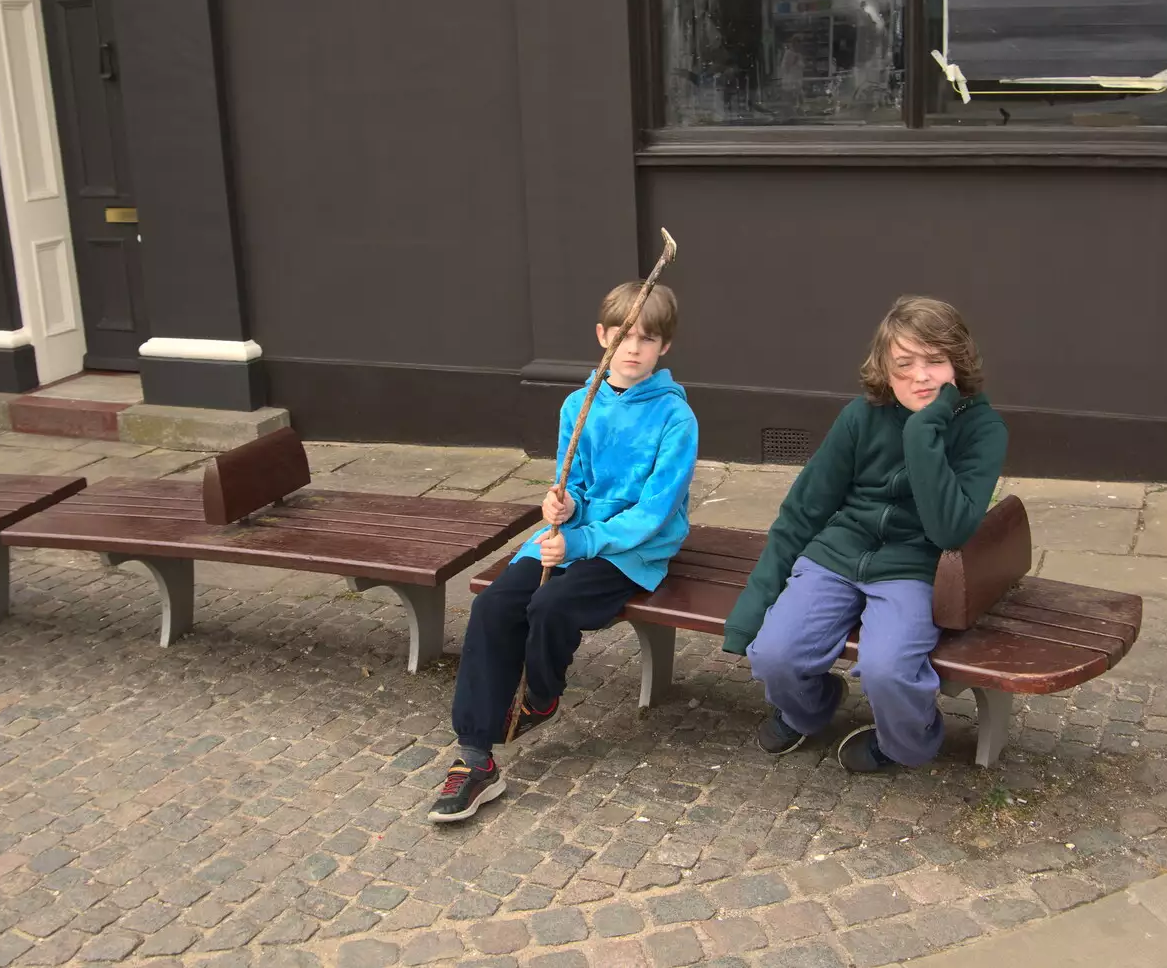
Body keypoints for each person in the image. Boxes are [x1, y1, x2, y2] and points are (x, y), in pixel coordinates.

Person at [428, 281, 699, 822]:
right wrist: (561, 506)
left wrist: (583, 538)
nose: (633, 348)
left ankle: (542, 696)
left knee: (552, 607)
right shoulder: (579, 405)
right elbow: (570, 481)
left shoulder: (676, 419)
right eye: (622, 335)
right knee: (493, 606)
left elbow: (654, 512)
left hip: (631, 551)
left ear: (664, 347)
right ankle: (475, 758)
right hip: (570, 539)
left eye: (647, 339)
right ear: (601, 336)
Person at [722, 296, 1007, 773]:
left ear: (958, 364)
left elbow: (949, 529)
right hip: (836, 555)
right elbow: (803, 509)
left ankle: (908, 743)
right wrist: (752, 606)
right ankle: (809, 709)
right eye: (904, 364)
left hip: (913, 567)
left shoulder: (983, 429)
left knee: (888, 670)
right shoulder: (860, 416)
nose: (920, 376)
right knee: (774, 654)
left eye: (935, 361)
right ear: (884, 368)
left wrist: (924, 433)